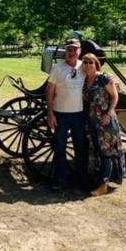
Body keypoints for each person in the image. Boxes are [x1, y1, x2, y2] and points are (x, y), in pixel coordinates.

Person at [45, 36, 91, 189]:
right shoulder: (57, 69)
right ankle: (60, 180)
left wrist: (112, 81)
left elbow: (96, 77)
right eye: (68, 50)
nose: (71, 52)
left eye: (74, 50)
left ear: (80, 51)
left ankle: (82, 179)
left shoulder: (84, 67)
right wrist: (50, 113)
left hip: (78, 115)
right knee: (59, 148)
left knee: (81, 147)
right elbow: (49, 91)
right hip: (60, 114)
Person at [79, 44, 124, 196]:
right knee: (97, 150)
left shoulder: (103, 78)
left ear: (96, 63)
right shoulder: (85, 81)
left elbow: (115, 95)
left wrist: (110, 112)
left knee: (106, 152)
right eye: (85, 62)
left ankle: (103, 185)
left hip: (105, 120)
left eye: (91, 62)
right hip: (92, 121)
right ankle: (98, 180)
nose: (88, 65)